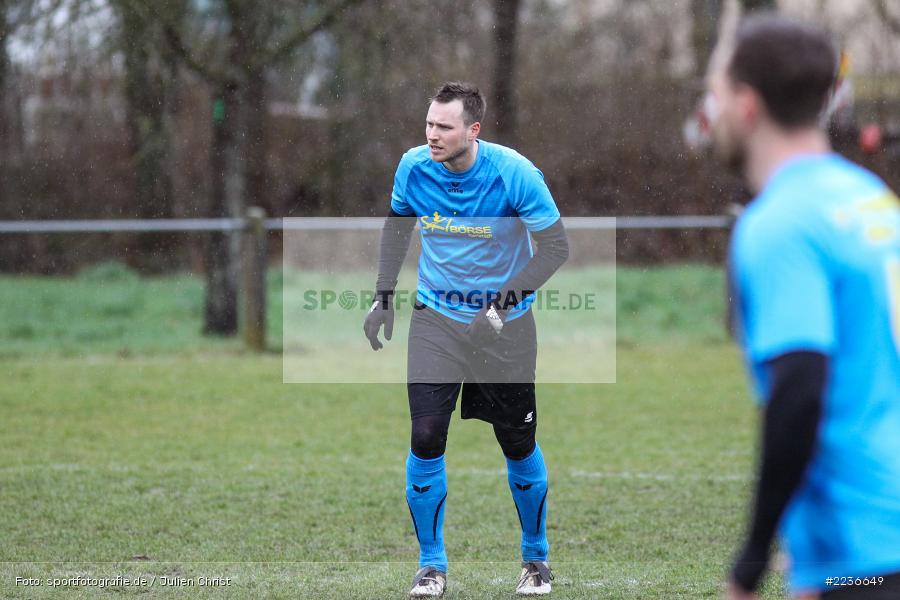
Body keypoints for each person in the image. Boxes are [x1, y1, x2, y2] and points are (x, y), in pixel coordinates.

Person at [704, 13, 900, 600]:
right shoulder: (870, 200)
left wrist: (749, 563)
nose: (707, 113)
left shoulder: (780, 223)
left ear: (746, 105)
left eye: (713, 94)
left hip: (864, 553)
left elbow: (799, 391)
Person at [363, 81, 569, 597]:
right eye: (429, 124)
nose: (432, 135)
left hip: (506, 328)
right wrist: (383, 295)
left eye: (444, 127)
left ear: (472, 130)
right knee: (426, 435)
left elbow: (555, 248)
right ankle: (430, 567)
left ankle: (536, 560)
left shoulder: (514, 173)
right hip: (437, 319)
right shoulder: (413, 167)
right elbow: (397, 227)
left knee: (516, 441)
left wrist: (499, 308)